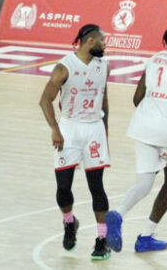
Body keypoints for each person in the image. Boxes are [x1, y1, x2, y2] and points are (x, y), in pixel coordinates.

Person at [105, 26, 167, 253]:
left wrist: (152, 110)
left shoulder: (155, 59)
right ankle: (146, 236)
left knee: (144, 183)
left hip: (142, 126)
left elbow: (137, 97)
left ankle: (118, 214)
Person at [38, 24, 111, 261]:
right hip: (68, 128)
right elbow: (44, 100)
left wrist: (105, 129)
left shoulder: (104, 65)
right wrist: (55, 129)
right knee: (63, 188)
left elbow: (104, 98)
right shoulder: (64, 67)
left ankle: (102, 239)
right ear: (90, 41)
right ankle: (69, 222)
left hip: (94, 129)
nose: (105, 44)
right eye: (102, 40)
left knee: (96, 187)